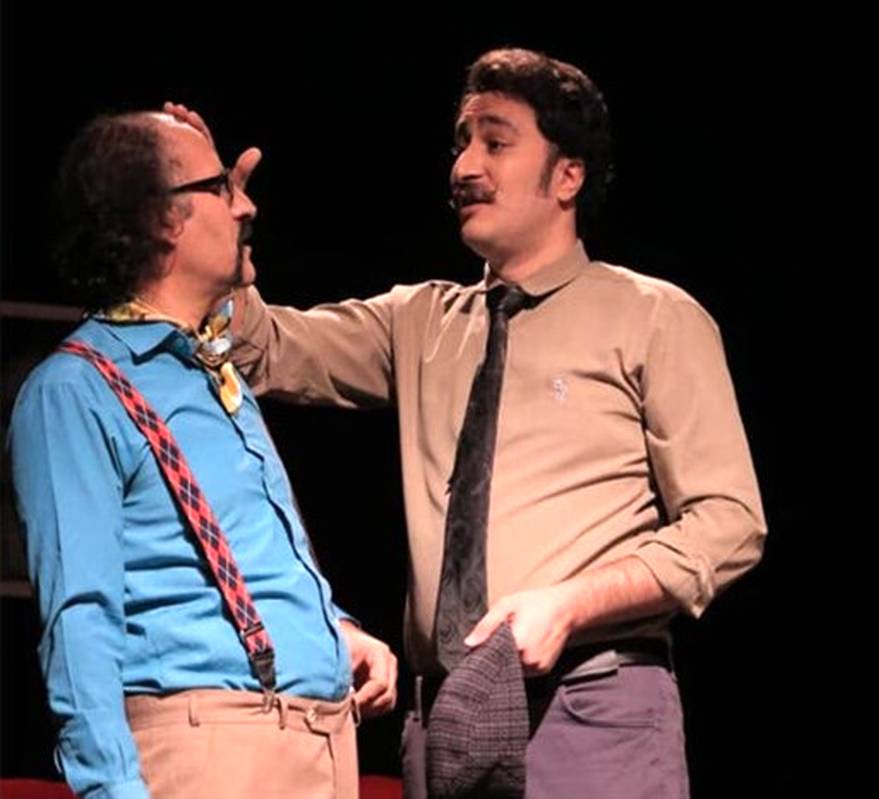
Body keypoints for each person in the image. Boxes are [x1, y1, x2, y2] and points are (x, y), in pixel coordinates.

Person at [181, 45, 766, 798]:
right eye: (462, 143)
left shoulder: (652, 316)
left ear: (568, 175)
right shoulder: (420, 320)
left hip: (593, 706)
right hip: (445, 717)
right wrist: (217, 231)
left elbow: (729, 521)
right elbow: (260, 350)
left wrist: (572, 603)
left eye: (496, 142)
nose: (465, 167)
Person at [8, 110, 398, 799]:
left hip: (319, 742)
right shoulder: (78, 388)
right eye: (220, 188)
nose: (246, 206)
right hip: (212, 749)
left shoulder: (210, 370)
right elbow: (80, 618)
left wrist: (332, 632)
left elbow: (235, 549)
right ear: (166, 218)